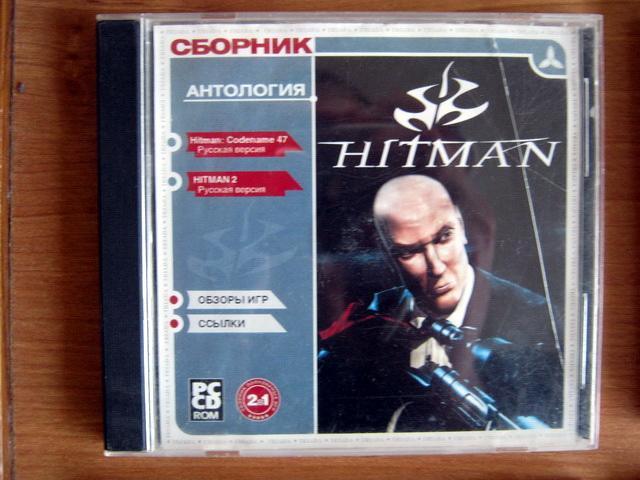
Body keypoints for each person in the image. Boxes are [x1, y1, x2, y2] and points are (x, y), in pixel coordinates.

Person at [318, 175, 562, 433]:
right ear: (387, 255)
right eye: (409, 252)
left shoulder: (540, 319)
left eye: (443, 237)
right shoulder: (365, 321)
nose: (436, 267)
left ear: (463, 226)